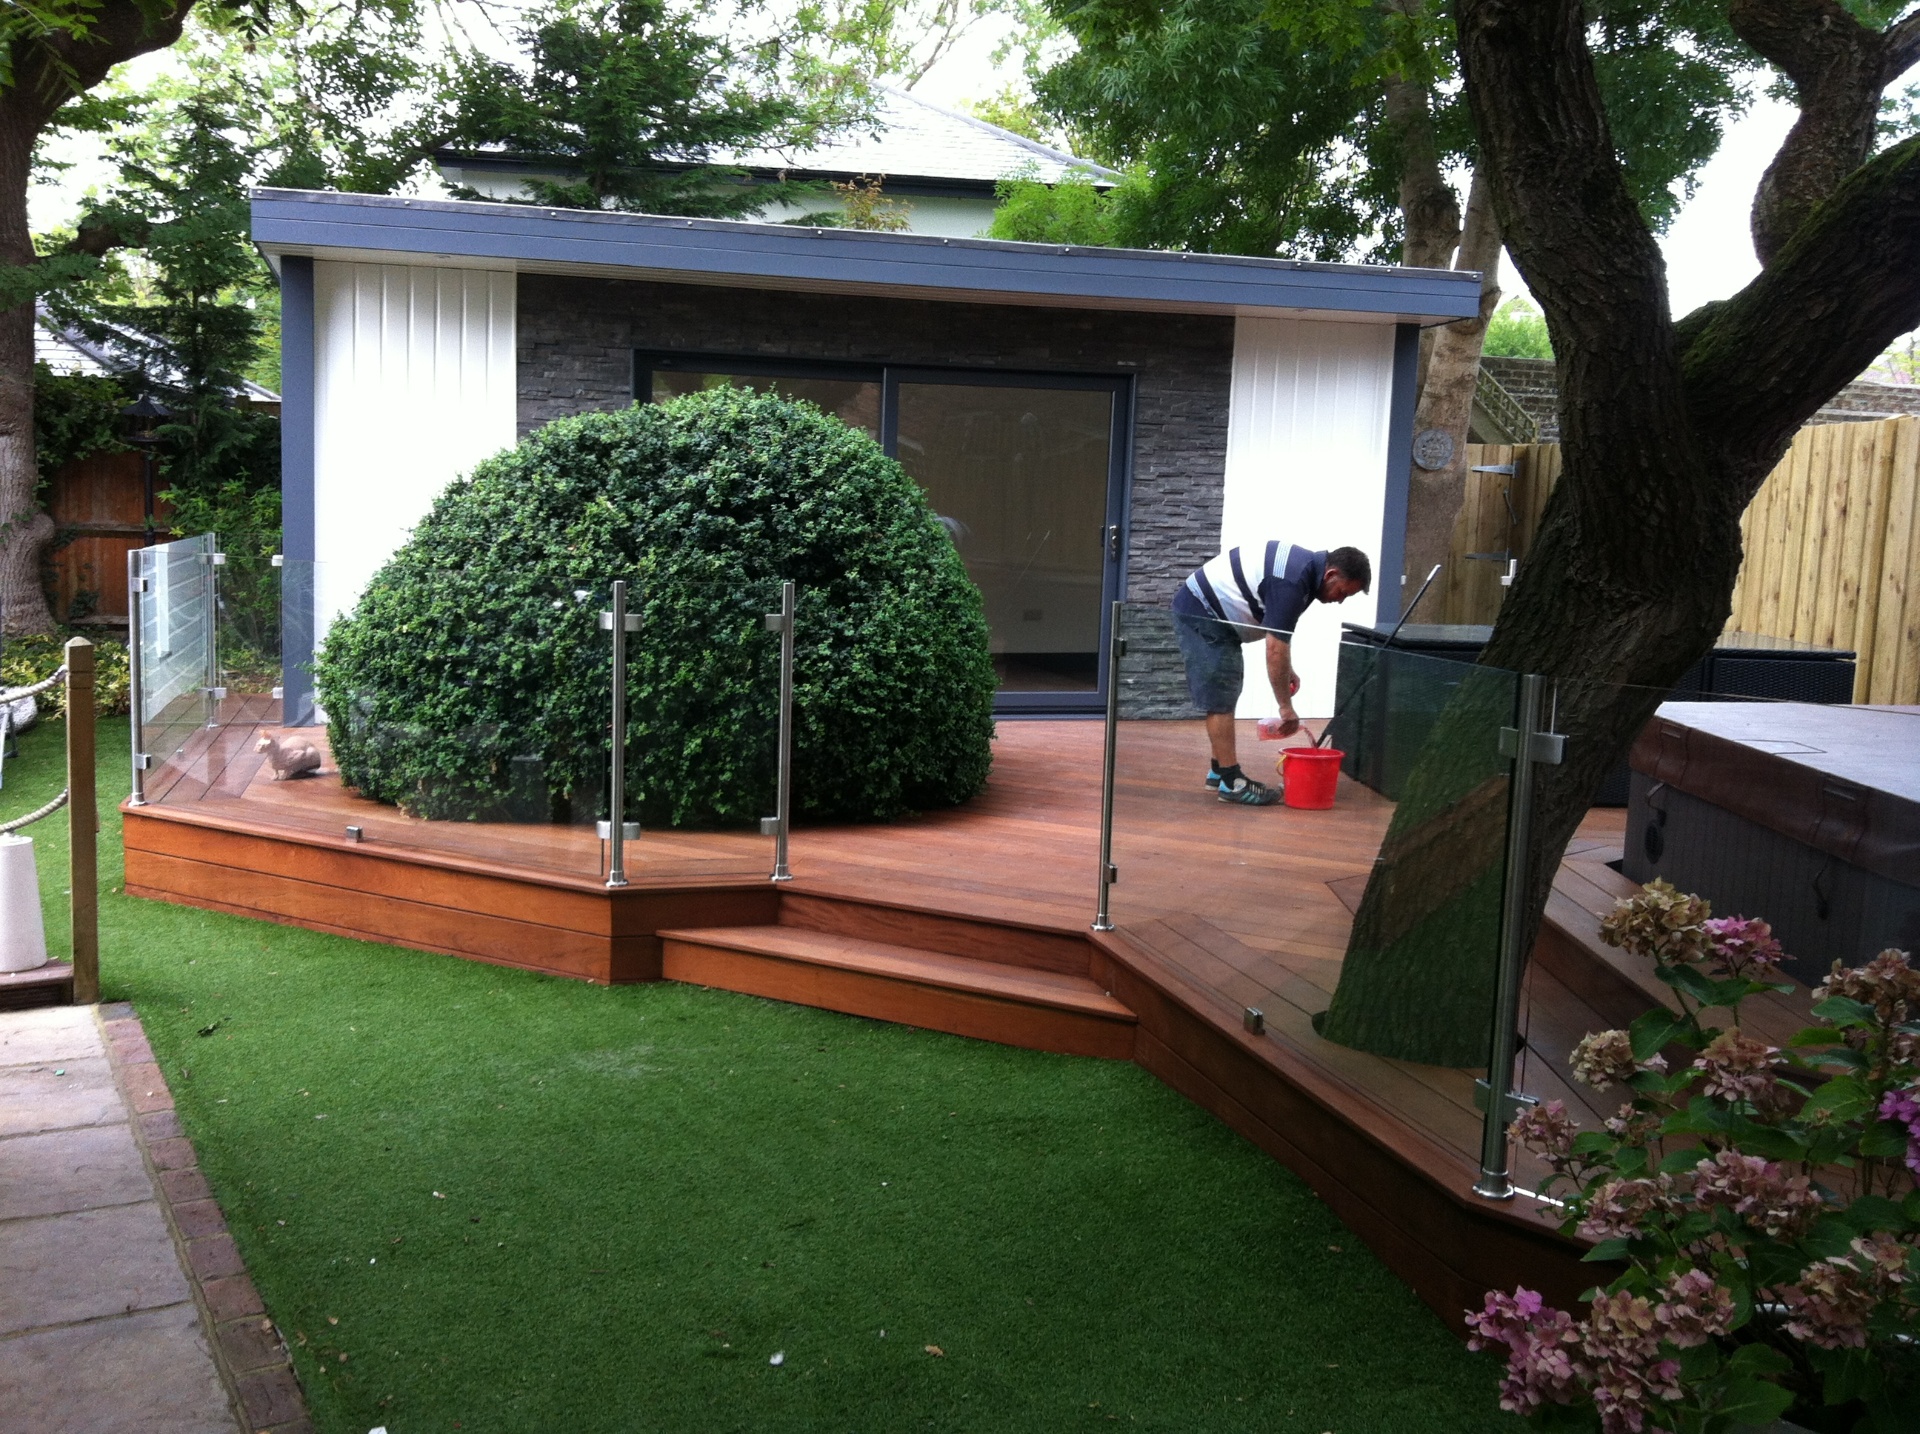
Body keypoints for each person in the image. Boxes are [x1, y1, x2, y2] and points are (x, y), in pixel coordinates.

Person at [1171, 542, 1371, 804]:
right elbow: (1274, 647)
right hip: (1202, 612)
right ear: (1331, 575)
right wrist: (1286, 708)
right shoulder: (1293, 581)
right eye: (1342, 592)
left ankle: (1219, 772)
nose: (1340, 600)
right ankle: (1232, 783)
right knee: (1221, 695)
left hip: (1212, 615)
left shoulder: (1306, 575)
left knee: (1226, 690)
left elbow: (1280, 635)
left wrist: (1288, 670)